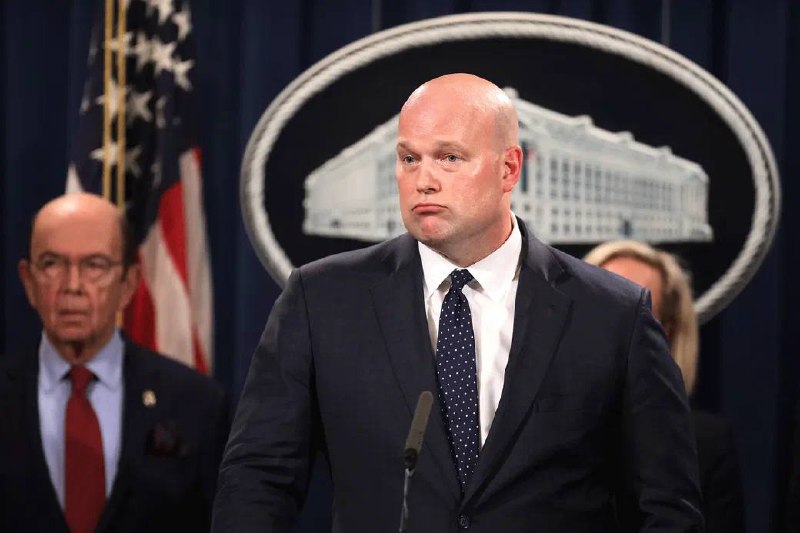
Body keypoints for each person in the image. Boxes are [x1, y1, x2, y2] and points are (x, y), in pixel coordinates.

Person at [213, 73, 703, 532]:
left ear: (509, 168)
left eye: (449, 157)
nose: (423, 180)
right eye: (409, 159)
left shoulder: (613, 314)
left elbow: (665, 507)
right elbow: (258, 479)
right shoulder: (321, 300)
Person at [0, 193, 228, 532]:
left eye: (95, 265)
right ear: (29, 282)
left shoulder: (197, 404)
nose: (72, 286)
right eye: (52, 264)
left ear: (128, 284)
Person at [585, 240, 745, 533]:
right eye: (597, 312)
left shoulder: (705, 445)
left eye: (633, 317)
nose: (610, 331)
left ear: (666, 335)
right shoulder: (532, 430)